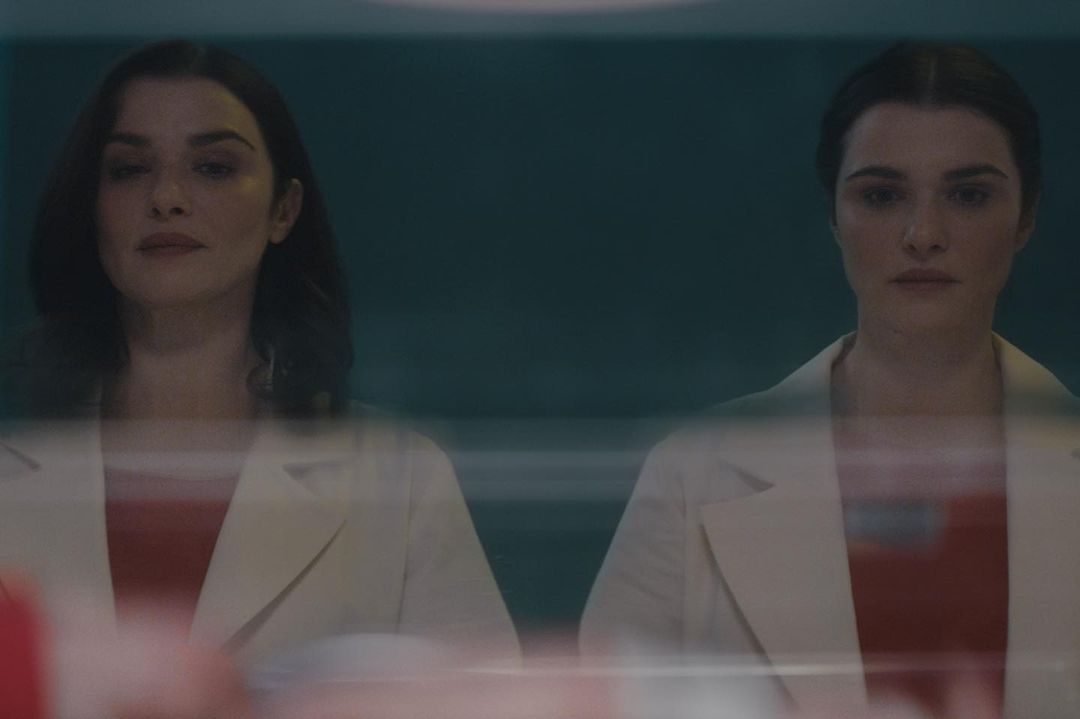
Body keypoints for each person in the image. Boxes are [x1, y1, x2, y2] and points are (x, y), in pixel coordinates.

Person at [581, 42, 1080, 718]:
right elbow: (601, 703)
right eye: (881, 195)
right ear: (833, 215)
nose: (923, 234)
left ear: (1026, 216)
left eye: (968, 194)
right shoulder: (691, 473)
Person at [0, 40, 517, 667]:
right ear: (92, 206)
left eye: (212, 167)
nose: (166, 197)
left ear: (284, 210)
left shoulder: (400, 477)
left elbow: (487, 698)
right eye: (130, 169)